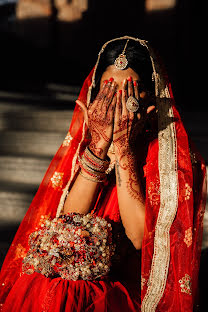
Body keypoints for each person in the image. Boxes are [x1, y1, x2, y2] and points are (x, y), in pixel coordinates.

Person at [0, 36, 206, 312]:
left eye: (130, 90)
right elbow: (67, 223)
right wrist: (98, 148)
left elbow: (139, 240)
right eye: (109, 90)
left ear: (151, 99)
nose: (118, 101)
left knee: (70, 291)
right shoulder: (88, 145)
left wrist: (124, 152)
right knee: (54, 286)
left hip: (131, 289)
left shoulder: (173, 160)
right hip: (77, 281)